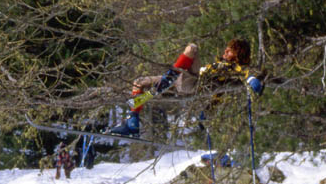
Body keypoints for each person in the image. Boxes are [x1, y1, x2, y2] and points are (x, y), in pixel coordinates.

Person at [109, 39, 261, 137]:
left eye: (230, 50)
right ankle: (132, 122)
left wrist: (252, 79)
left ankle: (166, 81)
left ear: (238, 54)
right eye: (226, 48)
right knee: (139, 82)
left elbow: (243, 73)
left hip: (192, 83)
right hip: (178, 83)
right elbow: (218, 95)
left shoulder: (232, 67)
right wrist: (206, 113)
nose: (225, 51)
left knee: (192, 48)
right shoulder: (222, 63)